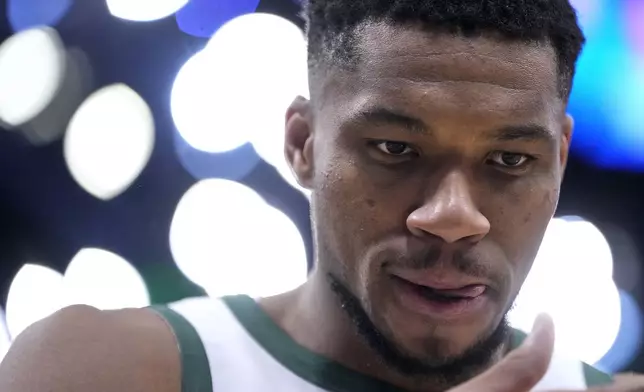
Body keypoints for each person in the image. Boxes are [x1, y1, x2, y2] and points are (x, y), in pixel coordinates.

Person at [0, 1, 638, 391]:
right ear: (303, 143)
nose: (452, 217)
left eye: (508, 160)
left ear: (557, 160)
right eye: (395, 149)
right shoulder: (98, 372)